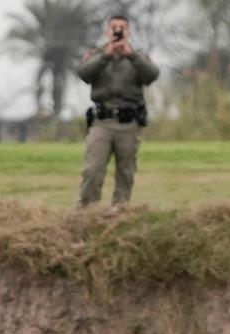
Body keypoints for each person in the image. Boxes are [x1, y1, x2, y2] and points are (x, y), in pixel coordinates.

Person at [75, 14, 159, 207]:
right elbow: (84, 73)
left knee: (126, 171)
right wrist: (106, 55)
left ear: (128, 31)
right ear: (108, 30)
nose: (118, 30)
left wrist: (131, 56)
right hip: (102, 122)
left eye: (122, 27)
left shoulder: (138, 56)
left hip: (129, 123)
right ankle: (87, 210)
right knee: (93, 169)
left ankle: (120, 210)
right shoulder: (97, 54)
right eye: (114, 27)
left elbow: (151, 75)